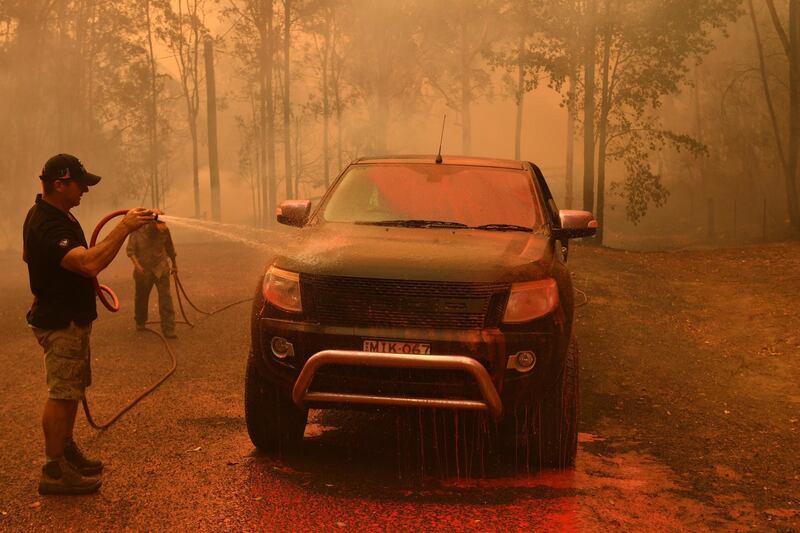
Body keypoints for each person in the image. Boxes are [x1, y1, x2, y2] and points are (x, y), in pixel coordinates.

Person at [23, 153, 155, 495]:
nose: (85, 190)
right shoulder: (47, 223)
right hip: (60, 321)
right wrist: (123, 228)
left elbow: (31, 256)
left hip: (72, 316)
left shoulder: (58, 216)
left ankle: (66, 452)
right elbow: (87, 263)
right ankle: (53, 470)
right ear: (59, 184)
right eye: (80, 184)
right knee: (62, 393)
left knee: (73, 390)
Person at [126, 219, 178, 338]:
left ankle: (169, 328)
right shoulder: (137, 232)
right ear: (153, 224)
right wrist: (137, 266)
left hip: (161, 268)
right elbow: (130, 251)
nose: (163, 227)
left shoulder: (164, 230)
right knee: (141, 297)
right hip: (144, 270)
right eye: (160, 225)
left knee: (166, 298)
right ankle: (140, 321)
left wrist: (174, 265)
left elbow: (170, 247)